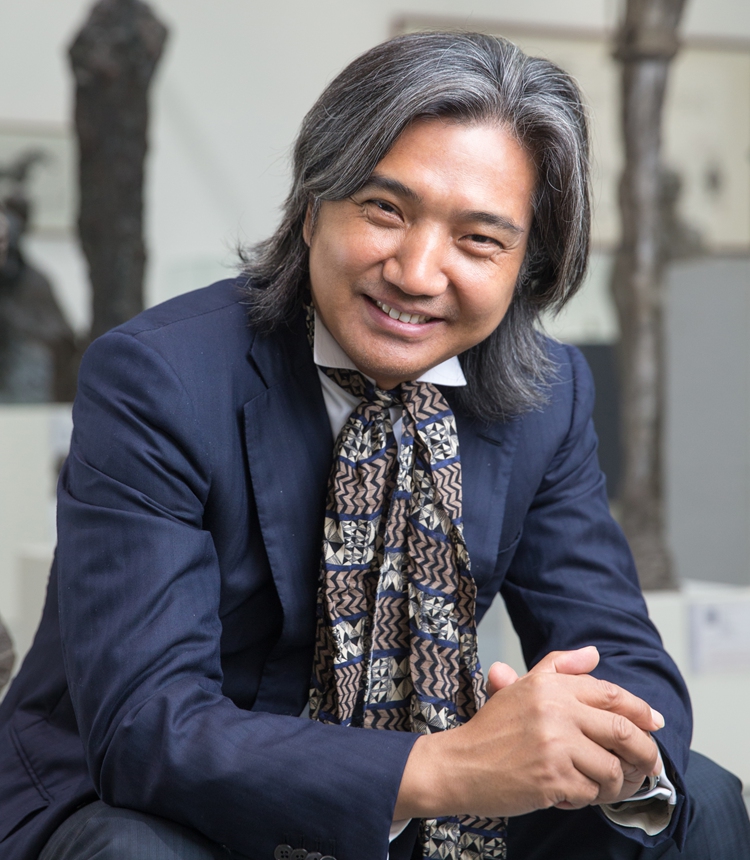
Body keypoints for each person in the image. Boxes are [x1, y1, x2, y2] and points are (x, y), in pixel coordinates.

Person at [0, 31, 747, 860]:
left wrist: (605, 738)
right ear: (313, 205)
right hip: (167, 800)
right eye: (386, 210)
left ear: (526, 268)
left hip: (425, 794)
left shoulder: (548, 394)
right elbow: (150, 726)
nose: (418, 274)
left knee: (696, 800)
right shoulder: (158, 378)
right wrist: (447, 768)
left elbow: (619, 649)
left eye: (479, 240)